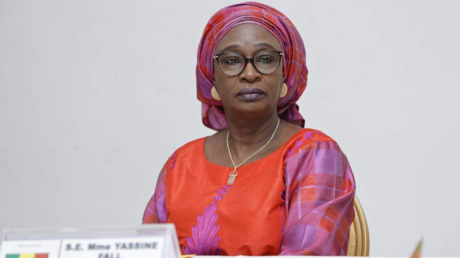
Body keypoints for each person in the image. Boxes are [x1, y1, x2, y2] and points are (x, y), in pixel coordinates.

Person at [143, 2, 355, 256]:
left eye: (265, 59)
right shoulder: (181, 163)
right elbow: (145, 250)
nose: (250, 73)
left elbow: (313, 253)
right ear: (212, 79)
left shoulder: (314, 153)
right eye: (232, 61)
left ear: (285, 76)